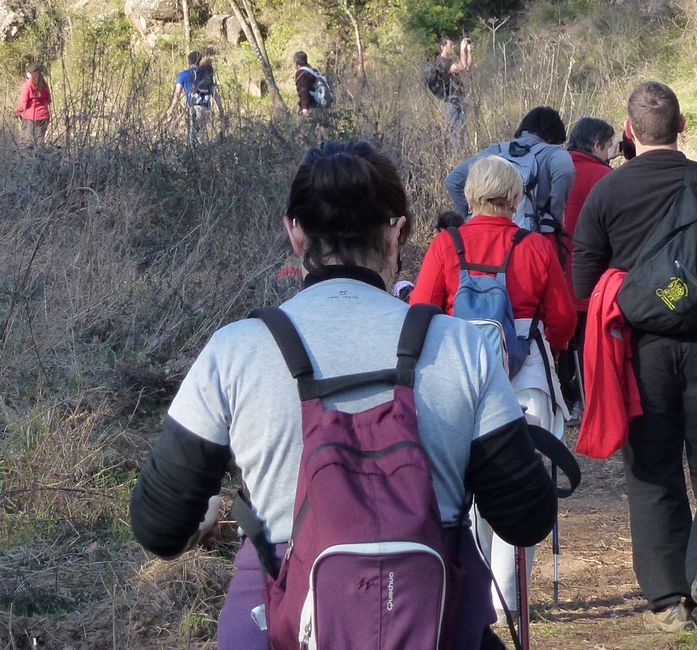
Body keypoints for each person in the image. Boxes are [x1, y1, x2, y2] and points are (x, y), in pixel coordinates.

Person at [130, 140, 559, 650]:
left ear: (295, 232)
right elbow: (525, 519)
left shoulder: (235, 349)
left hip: (276, 620)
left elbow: (159, 528)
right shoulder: (463, 346)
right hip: (435, 619)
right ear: (396, 232)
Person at [572, 81, 697, 637]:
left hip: (640, 355)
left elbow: (582, 283)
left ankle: (667, 600)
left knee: (653, 468)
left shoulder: (607, 193)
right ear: (682, 126)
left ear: (628, 131)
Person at [411, 154, 578, 625]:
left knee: (461, 483)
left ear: (469, 195)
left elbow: (421, 310)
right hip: (526, 378)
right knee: (519, 484)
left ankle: (474, 595)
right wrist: (552, 347)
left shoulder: (446, 244)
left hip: (456, 376)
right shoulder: (536, 246)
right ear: (516, 197)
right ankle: (509, 597)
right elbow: (563, 319)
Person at [557, 116, 619, 417]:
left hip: (554, 267)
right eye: (607, 146)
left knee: (559, 340)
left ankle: (564, 401)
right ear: (596, 145)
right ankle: (590, 400)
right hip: (591, 271)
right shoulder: (603, 176)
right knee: (587, 340)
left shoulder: (554, 168)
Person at [445, 106, 576, 237]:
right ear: (554, 137)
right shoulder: (553, 153)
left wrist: (472, 214)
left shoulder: (498, 150)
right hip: (530, 236)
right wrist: (555, 217)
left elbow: (453, 181)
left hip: (484, 235)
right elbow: (565, 171)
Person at [424, 36, 474, 137]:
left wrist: (469, 52)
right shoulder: (442, 62)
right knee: (455, 131)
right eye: (451, 45)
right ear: (443, 47)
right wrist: (462, 49)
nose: (453, 47)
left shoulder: (448, 62)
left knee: (462, 131)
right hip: (452, 101)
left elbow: (467, 68)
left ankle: (461, 147)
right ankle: (456, 148)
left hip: (458, 98)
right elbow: (462, 67)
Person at [173, 51, 222, 145]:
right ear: (199, 60)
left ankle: (194, 152)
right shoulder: (206, 74)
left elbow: (177, 94)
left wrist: (171, 108)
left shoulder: (183, 75)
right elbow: (215, 94)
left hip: (193, 107)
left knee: (192, 136)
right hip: (205, 107)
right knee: (201, 135)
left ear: (189, 61)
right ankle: (201, 150)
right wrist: (221, 110)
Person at [16, 65, 51, 147]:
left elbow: (24, 103)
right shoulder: (44, 84)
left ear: (29, 74)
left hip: (30, 118)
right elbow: (49, 100)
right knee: (40, 142)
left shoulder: (26, 85)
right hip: (44, 116)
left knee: (29, 143)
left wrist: (17, 111)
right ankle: (41, 154)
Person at [292, 51, 325, 118]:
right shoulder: (314, 70)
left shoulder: (301, 73)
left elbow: (303, 91)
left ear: (296, 63)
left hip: (313, 105)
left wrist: (304, 108)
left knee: (305, 122)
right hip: (323, 101)